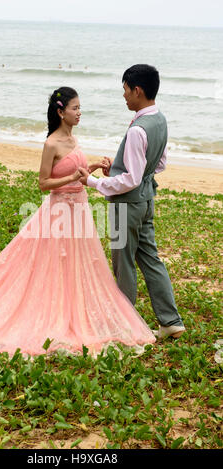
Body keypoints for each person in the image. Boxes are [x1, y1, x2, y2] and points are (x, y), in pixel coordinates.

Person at [0, 86, 156, 357]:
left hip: (79, 211)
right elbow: (44, 183)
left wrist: (93, 167)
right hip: (58, 213)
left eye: (80, 107)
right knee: (52, 264)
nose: (79, 113)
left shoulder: (73, 139)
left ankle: (74, 307)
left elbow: (74, 169)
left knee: (78, 264)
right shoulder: (52, 143)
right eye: (75, 108)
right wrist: (71, 179)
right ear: (61, 112)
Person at [79, 65, 185, 339]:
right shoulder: (159, 120)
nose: (124, 96)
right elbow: (157, 164)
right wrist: (120, 166)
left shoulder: (138, 129)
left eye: (125, 90)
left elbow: (131, 180)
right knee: (151, 259)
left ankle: (124, 326)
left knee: (123, 263)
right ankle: (170, 320)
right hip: (147, 201)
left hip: (127, 205)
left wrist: (93, 183)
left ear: (137, 90)